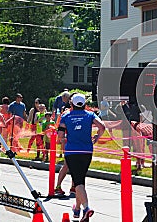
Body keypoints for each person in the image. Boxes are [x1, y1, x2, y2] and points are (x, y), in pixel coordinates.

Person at [58, 93, 106, 221]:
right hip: (86, 151)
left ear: (71, 104)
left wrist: (66, 139)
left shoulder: (66, 116)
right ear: (84, 104)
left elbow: (60, 136)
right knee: (80, 180)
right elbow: (102, 127)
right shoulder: (90, 115)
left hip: (72, 152)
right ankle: (77, 209)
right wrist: (97, 136)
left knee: (78, 181)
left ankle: (86, 208)